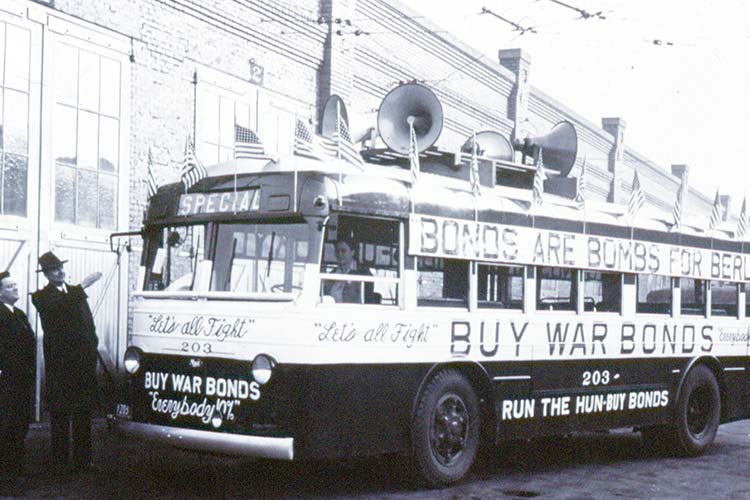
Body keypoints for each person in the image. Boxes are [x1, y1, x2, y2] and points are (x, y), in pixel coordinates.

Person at [31, 252, 101, 474]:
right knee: (60, 414)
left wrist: (92, 346)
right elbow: (58, 311)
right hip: (61, 367)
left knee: (83, 413)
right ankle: (60, 462)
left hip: (82, 365)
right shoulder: (41, 297)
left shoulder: (74, 292)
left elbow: (87, 324)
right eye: (54, 270)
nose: (60, 272)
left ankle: (84, 460)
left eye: (60, 267)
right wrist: (82, 286)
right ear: (47, 275)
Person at [0, 271, 35, 482]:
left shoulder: (20, 314)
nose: (15, 288)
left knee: (20, 422)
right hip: (5, 379)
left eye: (15, 285)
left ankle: (16, 465)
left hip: (22, 378)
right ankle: (5, 469)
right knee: (5, 422)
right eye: (9, 286)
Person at [323, 238, 376, 304]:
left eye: (343, 251)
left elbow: (368, 298)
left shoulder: (363, 272)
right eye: (337, 251)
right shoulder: (332, 274)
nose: (340, 254)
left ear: (352, 252)